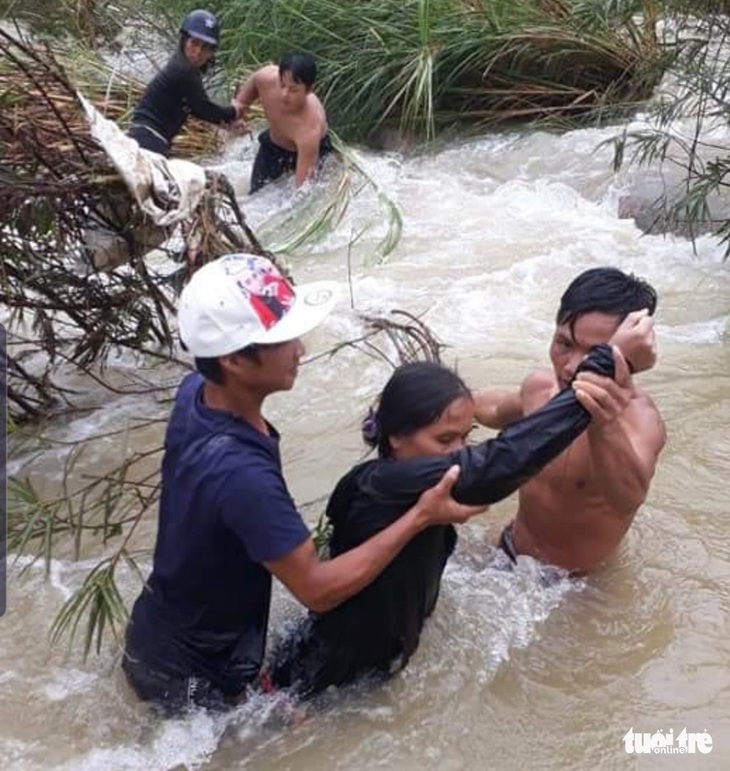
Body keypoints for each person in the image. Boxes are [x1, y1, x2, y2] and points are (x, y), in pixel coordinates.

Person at [121, 253, 486, 714]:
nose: (301, 349)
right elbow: (317, 588)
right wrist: (420, 516)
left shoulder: (197, 392)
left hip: (166, 627)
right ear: (234, 359)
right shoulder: (241, 474)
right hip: (190, 674)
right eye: (283, 339)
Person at [268, 312, 655, 699]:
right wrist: (606, 364)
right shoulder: (384, 484)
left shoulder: (411, 485)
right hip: (322, 683)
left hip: (368, 663)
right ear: (397, 437)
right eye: (444, 440)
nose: (457, 453)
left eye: (464, 438)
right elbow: (502, 460)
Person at [473, 267, 666, 574]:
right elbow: (492, 410)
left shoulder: (640, 418)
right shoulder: (539, 388)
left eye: (594, 352)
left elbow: (628, 497)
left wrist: (603, 421)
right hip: (508, 550)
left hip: (575, 588)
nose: (570, 367)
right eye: (564, 344)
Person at [127, 10, 242, 156]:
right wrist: (234, 111)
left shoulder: (181, 65)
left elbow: (195, 108)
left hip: (145, 136)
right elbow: (203, 109)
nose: (198, 51)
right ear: (184, 41)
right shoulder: (183, 70)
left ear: (212, 52)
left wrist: (228, 123)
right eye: (194, 43)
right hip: (149, 139)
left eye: (205, 47)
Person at [233, 52, 333, 193]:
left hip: (306, 152)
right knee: (255, 196)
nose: (284, 94)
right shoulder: (266, 78)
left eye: (293, 89)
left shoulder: (310, 127)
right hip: (273, 146)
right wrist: (238, 115)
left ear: (309, 90)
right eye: (282, 85)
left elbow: (303, 191)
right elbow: (241, 100)